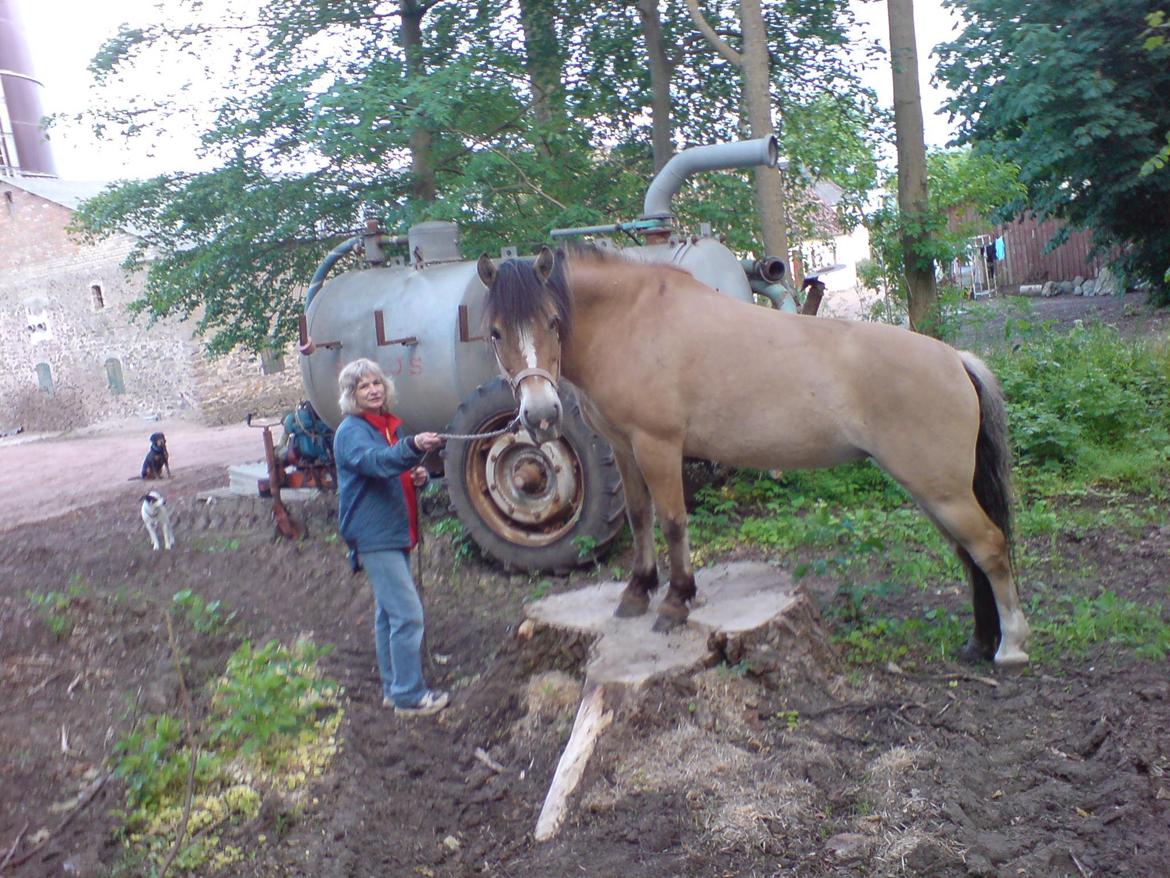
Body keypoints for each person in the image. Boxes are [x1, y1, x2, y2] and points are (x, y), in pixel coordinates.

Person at [333, 357, 448, 716]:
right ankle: (410, 696)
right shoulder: (351, 431)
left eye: (377, 383)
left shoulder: (388, 428)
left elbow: (393, 466)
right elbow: (376, 463)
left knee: (388, 614)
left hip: (395, 530)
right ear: (351, 395)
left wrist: (416, 477)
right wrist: (413, 445)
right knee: (408, 614)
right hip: (374, 533)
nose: (373, 390)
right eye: (363, 386)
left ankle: (392, 688)